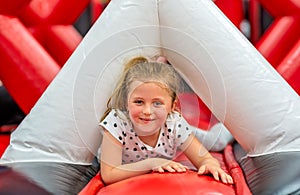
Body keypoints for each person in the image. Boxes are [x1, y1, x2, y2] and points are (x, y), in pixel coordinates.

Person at [99, 56, 233, 185]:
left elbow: (204, 158)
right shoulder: (118, 122)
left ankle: (229, 128)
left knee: (215, 142)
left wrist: (209, 164)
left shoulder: (174, 123)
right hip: (148, 137)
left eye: (157, 103)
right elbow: (109, 174)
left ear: (172, 106)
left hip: (167, 128)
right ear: (126, 102)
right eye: (139, 102)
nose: (147, 111)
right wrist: (152, 163)